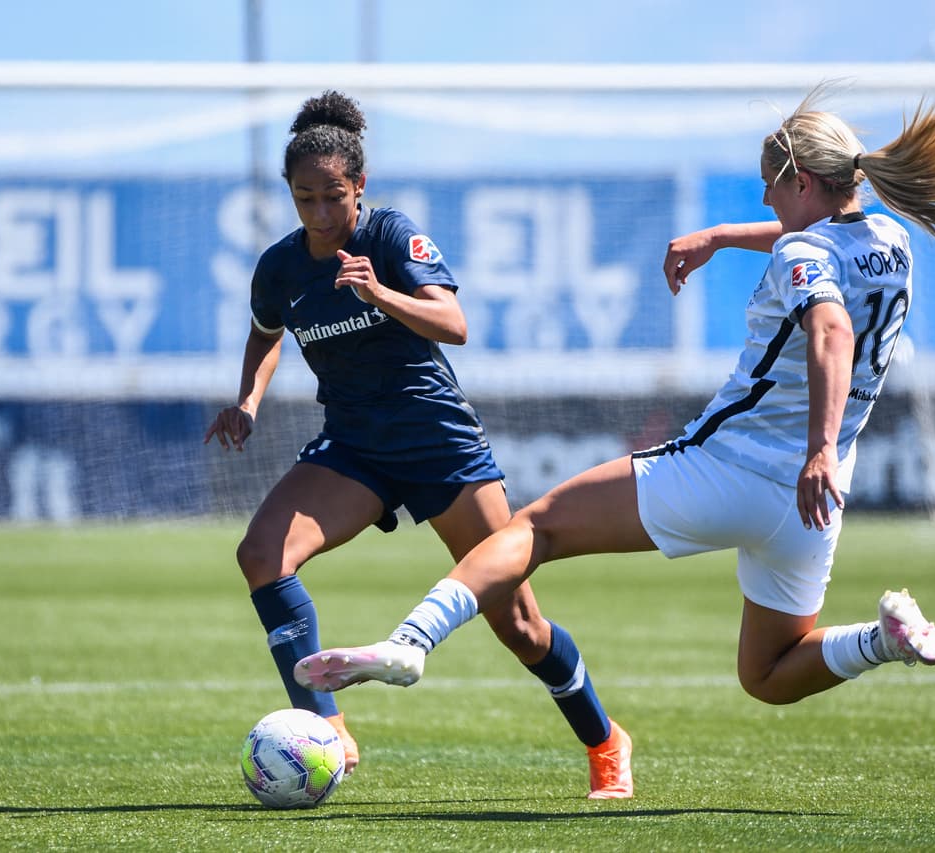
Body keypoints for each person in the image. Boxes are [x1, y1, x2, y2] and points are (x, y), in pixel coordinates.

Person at [293, 87, 935, 724]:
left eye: (771, 192)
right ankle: (879, 639)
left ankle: (410, 641)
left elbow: (829, 325)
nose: (769, 207)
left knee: (539, 526)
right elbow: (813, 241)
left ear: (801, 181)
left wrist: (816, 447)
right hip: (816, 504)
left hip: (735, 469)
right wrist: (721, 235)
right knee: (769, 672)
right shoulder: (890, 241)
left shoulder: (803, 251)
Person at [204, 90, 633, 800]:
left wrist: (381, 294)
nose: (317, 213)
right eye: (303, 197)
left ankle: (605, 739)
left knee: (520, 624)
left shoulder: (390, 238)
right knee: (261, 555)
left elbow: (453, 321)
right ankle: (330, 730)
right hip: (355, 448)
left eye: (331, 197)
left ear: (359, 188)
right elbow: (265, 331)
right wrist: (248, 398)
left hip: (439, 445)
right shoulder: (280, 267)